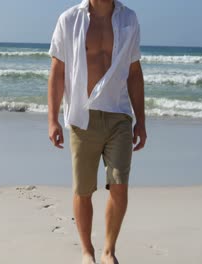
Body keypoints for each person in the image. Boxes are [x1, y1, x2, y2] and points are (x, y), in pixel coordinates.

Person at [47, 0, 146, 263]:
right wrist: (53, 119)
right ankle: (87, 251)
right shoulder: (69, 20)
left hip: (119, 114)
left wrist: (142, 121)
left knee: (119, 184)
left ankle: (108, 250)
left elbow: (134, 72)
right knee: (83, 189)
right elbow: (57, 71)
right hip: (83, 115)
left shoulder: (129, 19)